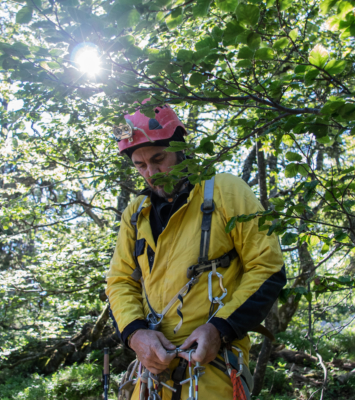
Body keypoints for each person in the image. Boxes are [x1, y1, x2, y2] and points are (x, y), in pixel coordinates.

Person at [106, 100, 286, 400]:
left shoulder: (225, 192)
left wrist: (220, 328)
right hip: (151, 375)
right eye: (140, 165)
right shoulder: (136, 214)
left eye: (159, 158)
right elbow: (120, 281)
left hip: (213, 370)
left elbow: (267, 267)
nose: (151, 172)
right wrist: (136, 334)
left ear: (181, 149)